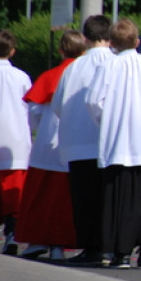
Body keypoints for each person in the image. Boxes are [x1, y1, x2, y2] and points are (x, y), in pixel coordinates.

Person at [85, 19, 141, 269]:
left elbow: (93, 101)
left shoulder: (107, 65)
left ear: (112, 43)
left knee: (114, 195)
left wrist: (108, 120)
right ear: (137, 41)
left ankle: (114, 250)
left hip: (115, 140)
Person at [16, 29, 86, 260]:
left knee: (42, 194)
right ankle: (61, 244)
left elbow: (33, 110)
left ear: (60, 50)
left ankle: (38, 240)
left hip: (48, 140)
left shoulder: (51, 75)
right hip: (75, 140)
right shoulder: (85, 74)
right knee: (67, 198)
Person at [52, 15, 115, 266]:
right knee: (105, 198)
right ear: (109, 36)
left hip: (76, 142)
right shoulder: (116, 63)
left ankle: (90, 247)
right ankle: (107, 247)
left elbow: (58, 106)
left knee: (83, 200)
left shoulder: (73, 67)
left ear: (85, 38)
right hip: (107, 143)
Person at [0, 30, 32, 254]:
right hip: (15, 144)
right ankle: (12, 234)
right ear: (13, 51)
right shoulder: (22, 77)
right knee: (14, 193)